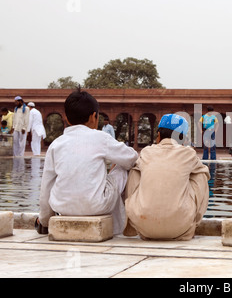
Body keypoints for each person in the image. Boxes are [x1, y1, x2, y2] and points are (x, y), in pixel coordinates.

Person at [35, 90, 138, 235]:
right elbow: (132, 158)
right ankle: (118, 229)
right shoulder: (100, 138)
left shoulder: (56, 145)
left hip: (63, 207)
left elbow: (46, 186)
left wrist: (45, 220)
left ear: (67, 118)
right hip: (96, 206)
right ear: (94, 117)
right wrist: (115, 164)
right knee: (121, 168)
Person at [123, 113, 210, 241]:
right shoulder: (188, 154)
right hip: (180, 226)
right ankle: (192, 224)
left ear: (158, 136)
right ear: (183, 139)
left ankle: (133, 221)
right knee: (202, 173)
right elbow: (203, 174)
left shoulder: (146, 152)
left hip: (144, 226)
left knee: (135, 170)